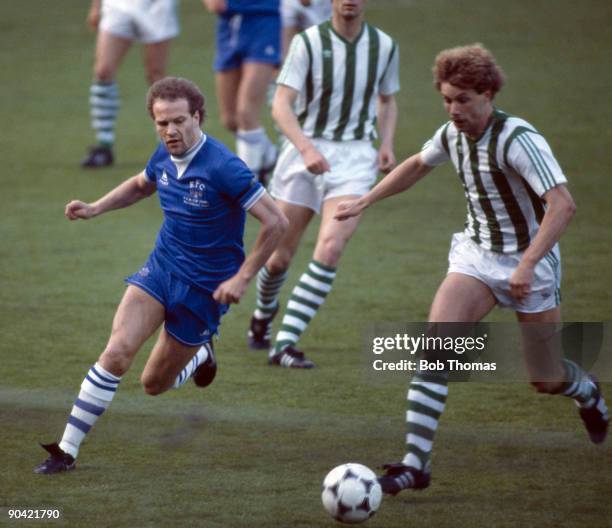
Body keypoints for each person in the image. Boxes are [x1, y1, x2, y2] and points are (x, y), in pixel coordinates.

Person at [334, 44, 609, 494]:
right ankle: (414, 464)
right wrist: (366, 199)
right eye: (446, 99)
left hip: (530, 265)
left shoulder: (518, 140)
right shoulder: (451, 135)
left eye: (462, 99)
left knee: (544, 378)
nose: (453, 109)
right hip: (477, 257)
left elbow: (562, 206)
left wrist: (529, 263)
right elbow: (416, 166)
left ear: (487, 93)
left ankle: (588, 393)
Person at [34, 77, 288, 474]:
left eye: (179, 121)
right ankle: (66, 450)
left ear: (198, 117)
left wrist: (242, 278)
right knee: (116, 353)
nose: (171, 131)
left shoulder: (224, 166)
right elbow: (141, 185)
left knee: (153, 384)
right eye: (162, 123)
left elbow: (276, 221)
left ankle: (203, 352)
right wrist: (96, 207)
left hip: (205, 291)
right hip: (162, 269)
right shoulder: (163, 156)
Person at [247, 0, 399, 368]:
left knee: (330, 247)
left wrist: (387, 143)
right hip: (303, 153)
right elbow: (280, 105)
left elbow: (387, 100)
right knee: (278, 256)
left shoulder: (384, 46)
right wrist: (305, 148)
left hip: (355, 160)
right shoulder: (308, 42)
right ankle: (262, 317)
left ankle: (284, 343)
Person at [81, 0, 180, 168]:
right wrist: (96, 6)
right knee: (103, 71)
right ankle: (104, 146)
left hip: (155, 6)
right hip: (118, 5)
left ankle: (167, 146)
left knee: (155, 75)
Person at [202, 0, 281, 183]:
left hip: (263, 25)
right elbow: (215, 5)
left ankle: (246, 181)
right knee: (230, 119)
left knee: (246, 113)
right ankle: (270, 154)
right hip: (229, 28)